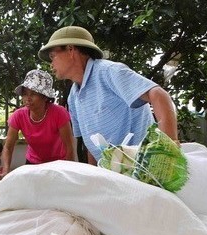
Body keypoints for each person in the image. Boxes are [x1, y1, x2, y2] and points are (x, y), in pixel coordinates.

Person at [38, 26, 178, 164]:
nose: (51, 64)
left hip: (144, 167)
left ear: (70, 50)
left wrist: (168, 149)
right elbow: (92, 145)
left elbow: (158, 94)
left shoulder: (108, 71)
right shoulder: (73, 97)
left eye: (52, 56)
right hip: (114, 174)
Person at [0, 69, 75, 178]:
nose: (28, 99)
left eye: (33, 94)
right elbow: (8, 147)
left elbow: (69, 147)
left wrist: (70, 172)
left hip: (59, 163)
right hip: (33, 162)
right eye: (25, 94)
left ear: (45, 97)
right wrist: (5, 170)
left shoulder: (59, 113)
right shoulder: (18, 115)